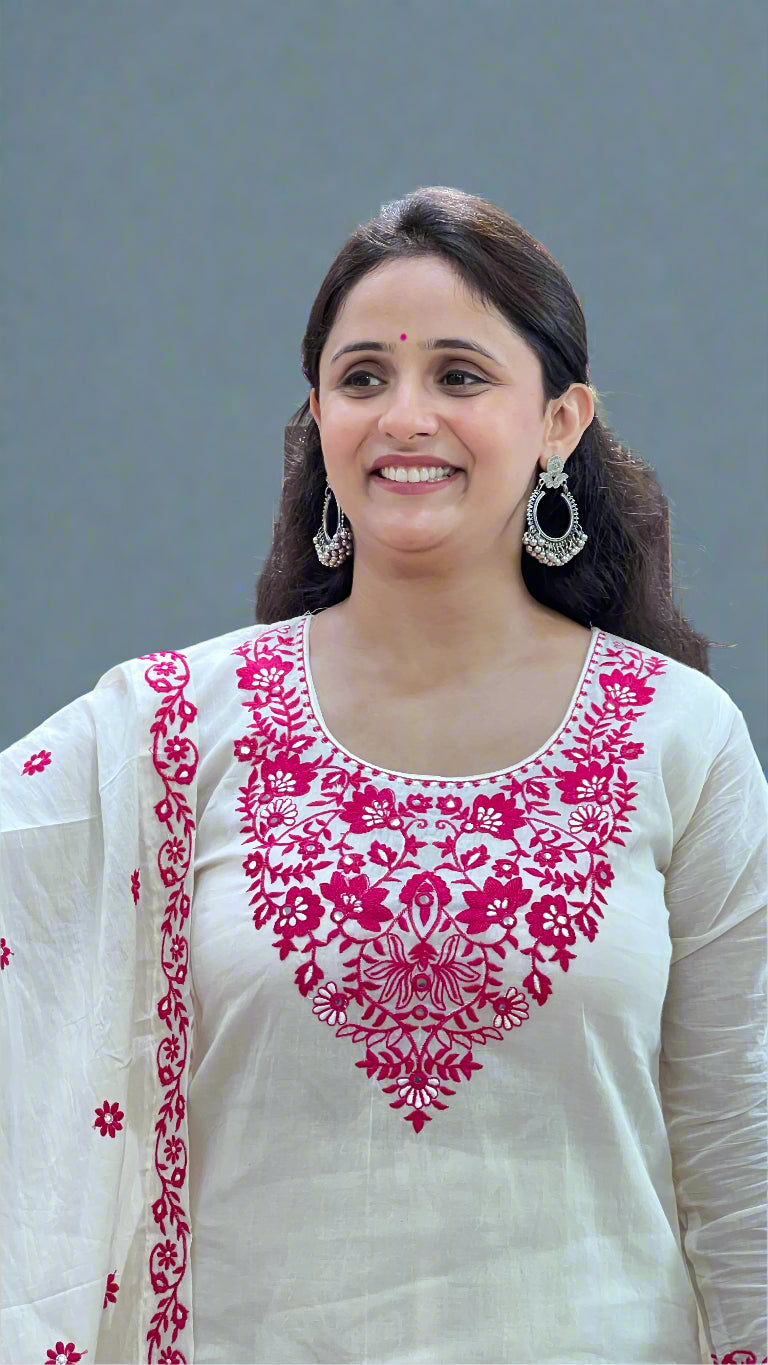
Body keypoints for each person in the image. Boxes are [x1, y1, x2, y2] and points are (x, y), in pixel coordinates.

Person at [1, 186, 765, 1365]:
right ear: (318, 415)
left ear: (561, 421)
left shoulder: (682, 737)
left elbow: (744, 1152)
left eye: (460, 376)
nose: (406, 416)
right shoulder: (168, 730)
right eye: (364, 380)